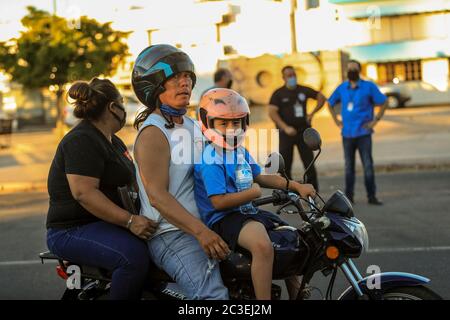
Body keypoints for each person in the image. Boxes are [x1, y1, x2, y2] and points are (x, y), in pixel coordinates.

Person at [195, 88, 316, 300]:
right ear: (208, 122)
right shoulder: (211, 159)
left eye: (236, 122)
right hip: (224, 219)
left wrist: (296, 186)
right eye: (223, 123)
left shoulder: (239, 151)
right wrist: (253, 193)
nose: (231, 129)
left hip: (245, 212)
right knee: (262, 246)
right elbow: (218, 202)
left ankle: (298, 295)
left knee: (291, 241)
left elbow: (262, 176)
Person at [131, 44, 230, 300]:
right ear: (153, 86)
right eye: (175, 78)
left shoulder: (191, 125)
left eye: (187, 77)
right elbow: (157, 196)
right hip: (173, 234)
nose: (184, 83)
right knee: (213, 297)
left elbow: (217, 167)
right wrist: (201, 232)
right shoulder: (153, 133)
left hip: (205, 223)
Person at [46, 78, 158, 300]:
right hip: (72, 230)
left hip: (101, 224)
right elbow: (84, 193)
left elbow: (135, 179)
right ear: (112, 107)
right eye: (122, 102)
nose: (125, 108)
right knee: (132, 257)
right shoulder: (81, 140)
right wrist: (130, 221)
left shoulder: (112, 141)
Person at [327, 59, 388, 205]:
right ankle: (349, 198)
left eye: (354, 69)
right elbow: (329, 102)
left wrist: (376, 120)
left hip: (363, 134)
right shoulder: (342, 88)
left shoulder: (368, 86)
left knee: (367, 165)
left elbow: (384, 102)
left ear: (359, 71)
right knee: (349, 167)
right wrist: (336, 121)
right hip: (347, 134)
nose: (351, 71)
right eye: (349, 69)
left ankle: (371, 196)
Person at [268, 66, 326, 190]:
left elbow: (321, 97)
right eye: (289, 75)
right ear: (283, 78)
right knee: (284, 165)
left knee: (309, 163)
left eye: (293, 74)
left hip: (303, 133)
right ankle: (287, 192)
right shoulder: (278, 94)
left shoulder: (303, 90)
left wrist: (312, 113)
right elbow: (272, 112)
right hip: (286, 134)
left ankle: (313, 191)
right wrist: (285, 127)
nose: (292, 77)